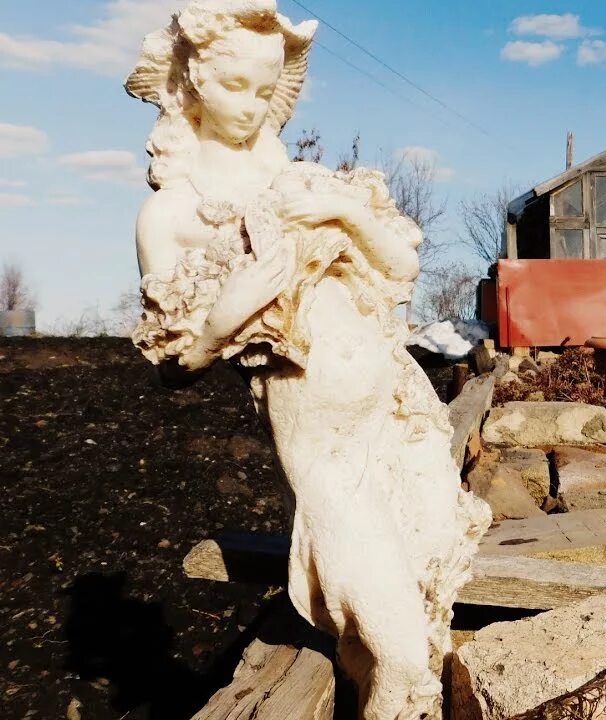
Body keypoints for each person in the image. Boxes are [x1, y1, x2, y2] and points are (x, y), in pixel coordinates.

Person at [125, 3, 489, 718]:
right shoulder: (172, 214)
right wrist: (226, 317)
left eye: (267, 92)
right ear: (194, 81)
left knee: (416, 609)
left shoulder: (297, 182)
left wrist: (348, 217)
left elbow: (398, 272)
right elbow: (170, 364)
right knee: (399, 649)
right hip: (326, 454)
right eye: (236, 87)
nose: (254, 107)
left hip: (395, 417)